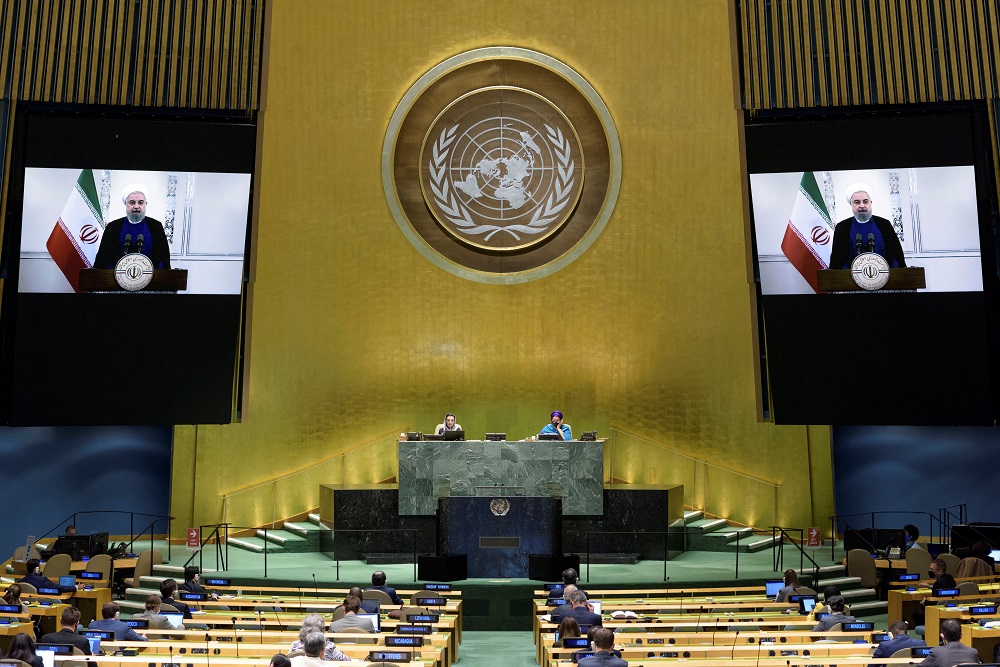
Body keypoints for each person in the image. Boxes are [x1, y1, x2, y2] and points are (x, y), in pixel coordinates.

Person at [828, 183, 906, 270]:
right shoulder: (842, 227)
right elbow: (838, 261)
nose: (862, 206)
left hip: (883, 277)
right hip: (851, 279)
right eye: (857, 202)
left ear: (870, 203)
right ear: (851, 204)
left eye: (865, 201)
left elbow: (896, 256)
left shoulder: (884, 224)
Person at [94, 184, 171, 270]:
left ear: (146, 204)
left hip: (150, 279)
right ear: (125, 204)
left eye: (140, 202)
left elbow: (163, 259)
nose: (136, 206)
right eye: (132, 202)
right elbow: (103, 260)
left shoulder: (156, 226)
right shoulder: (113, 227)